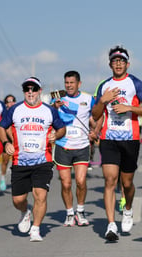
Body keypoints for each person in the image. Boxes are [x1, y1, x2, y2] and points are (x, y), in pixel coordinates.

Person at [92, 45, 142, 241]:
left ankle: (127, 209)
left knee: (127, 183)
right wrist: (103, 100)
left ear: (127, 63)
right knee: (110, 180)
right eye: (114, 61)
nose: (118, 63)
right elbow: (95, 114)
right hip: (109, 139)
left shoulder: (136, 83)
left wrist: (128, 107)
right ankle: (111, 225)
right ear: (110, 64)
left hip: (130, 140)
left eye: (121, 60)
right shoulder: (104, 85)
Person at [0, 77, 66, 242]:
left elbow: (62, 128)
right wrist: (6, 142)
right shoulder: (15, 109)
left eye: (33, 89)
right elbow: (1, 127)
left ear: (39, 91)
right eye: (27, 89)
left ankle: (35, 228)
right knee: (18, 200)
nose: (30, 92)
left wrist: (56, 135)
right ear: (24, 92)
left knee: (40, 195)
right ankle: (25, 212)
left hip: (43, 161)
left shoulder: (49, 110)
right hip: (20, 161)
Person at [51, 70, 97, 227]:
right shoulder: (58, 99)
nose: (69, 86)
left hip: (82, 146)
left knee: (81, 181)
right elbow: (49, 118)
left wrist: (95, 131)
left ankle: (81, 211)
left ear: (79, 84)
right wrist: (54, 108)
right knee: (65, 184)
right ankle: (70, 213)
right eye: (66, 83)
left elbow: (98, 115)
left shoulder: (88, 99)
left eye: (72, 83)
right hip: (63, 145)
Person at [0, 94, 17, 191]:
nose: (10, 103)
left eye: (12, 101)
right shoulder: (5, 113)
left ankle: (16, 180)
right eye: (8, 101)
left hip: (18, 138)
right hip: (8, 139)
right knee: (5, 160)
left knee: (17, 160)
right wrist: (12, 140)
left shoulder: (18, 110)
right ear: (6, 104)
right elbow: (7, 128)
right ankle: (2, 178)